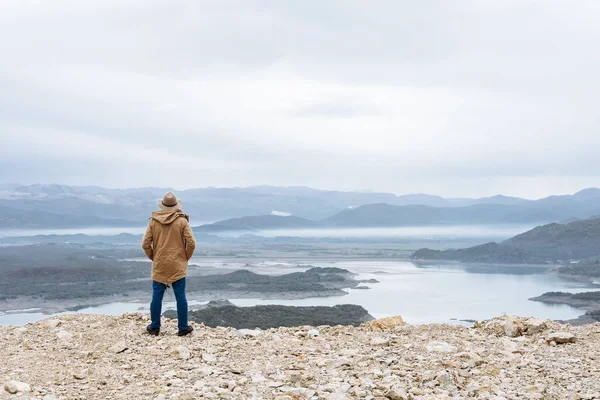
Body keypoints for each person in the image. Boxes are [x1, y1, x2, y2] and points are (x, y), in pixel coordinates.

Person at [142, 191, 196, 336]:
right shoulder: (182, 221)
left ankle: (154, 327)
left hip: (160, 264)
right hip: (177, 264)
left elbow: (145, 244)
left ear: (163, 206)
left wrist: (154, 257)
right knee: (181, 297)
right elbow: (191, 243)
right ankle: (183, 328)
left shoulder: (153, 221)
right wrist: (185, 257)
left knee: (156, 296)